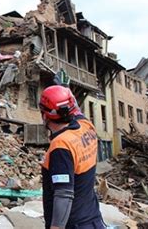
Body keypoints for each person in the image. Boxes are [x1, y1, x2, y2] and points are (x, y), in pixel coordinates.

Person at [39, 85, 104, 229]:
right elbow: (78, 112)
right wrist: (65, 91)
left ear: (44, 115)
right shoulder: (86, 126)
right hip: (93, 219)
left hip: (74, 224)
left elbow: (63, 195)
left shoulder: (61, 146)